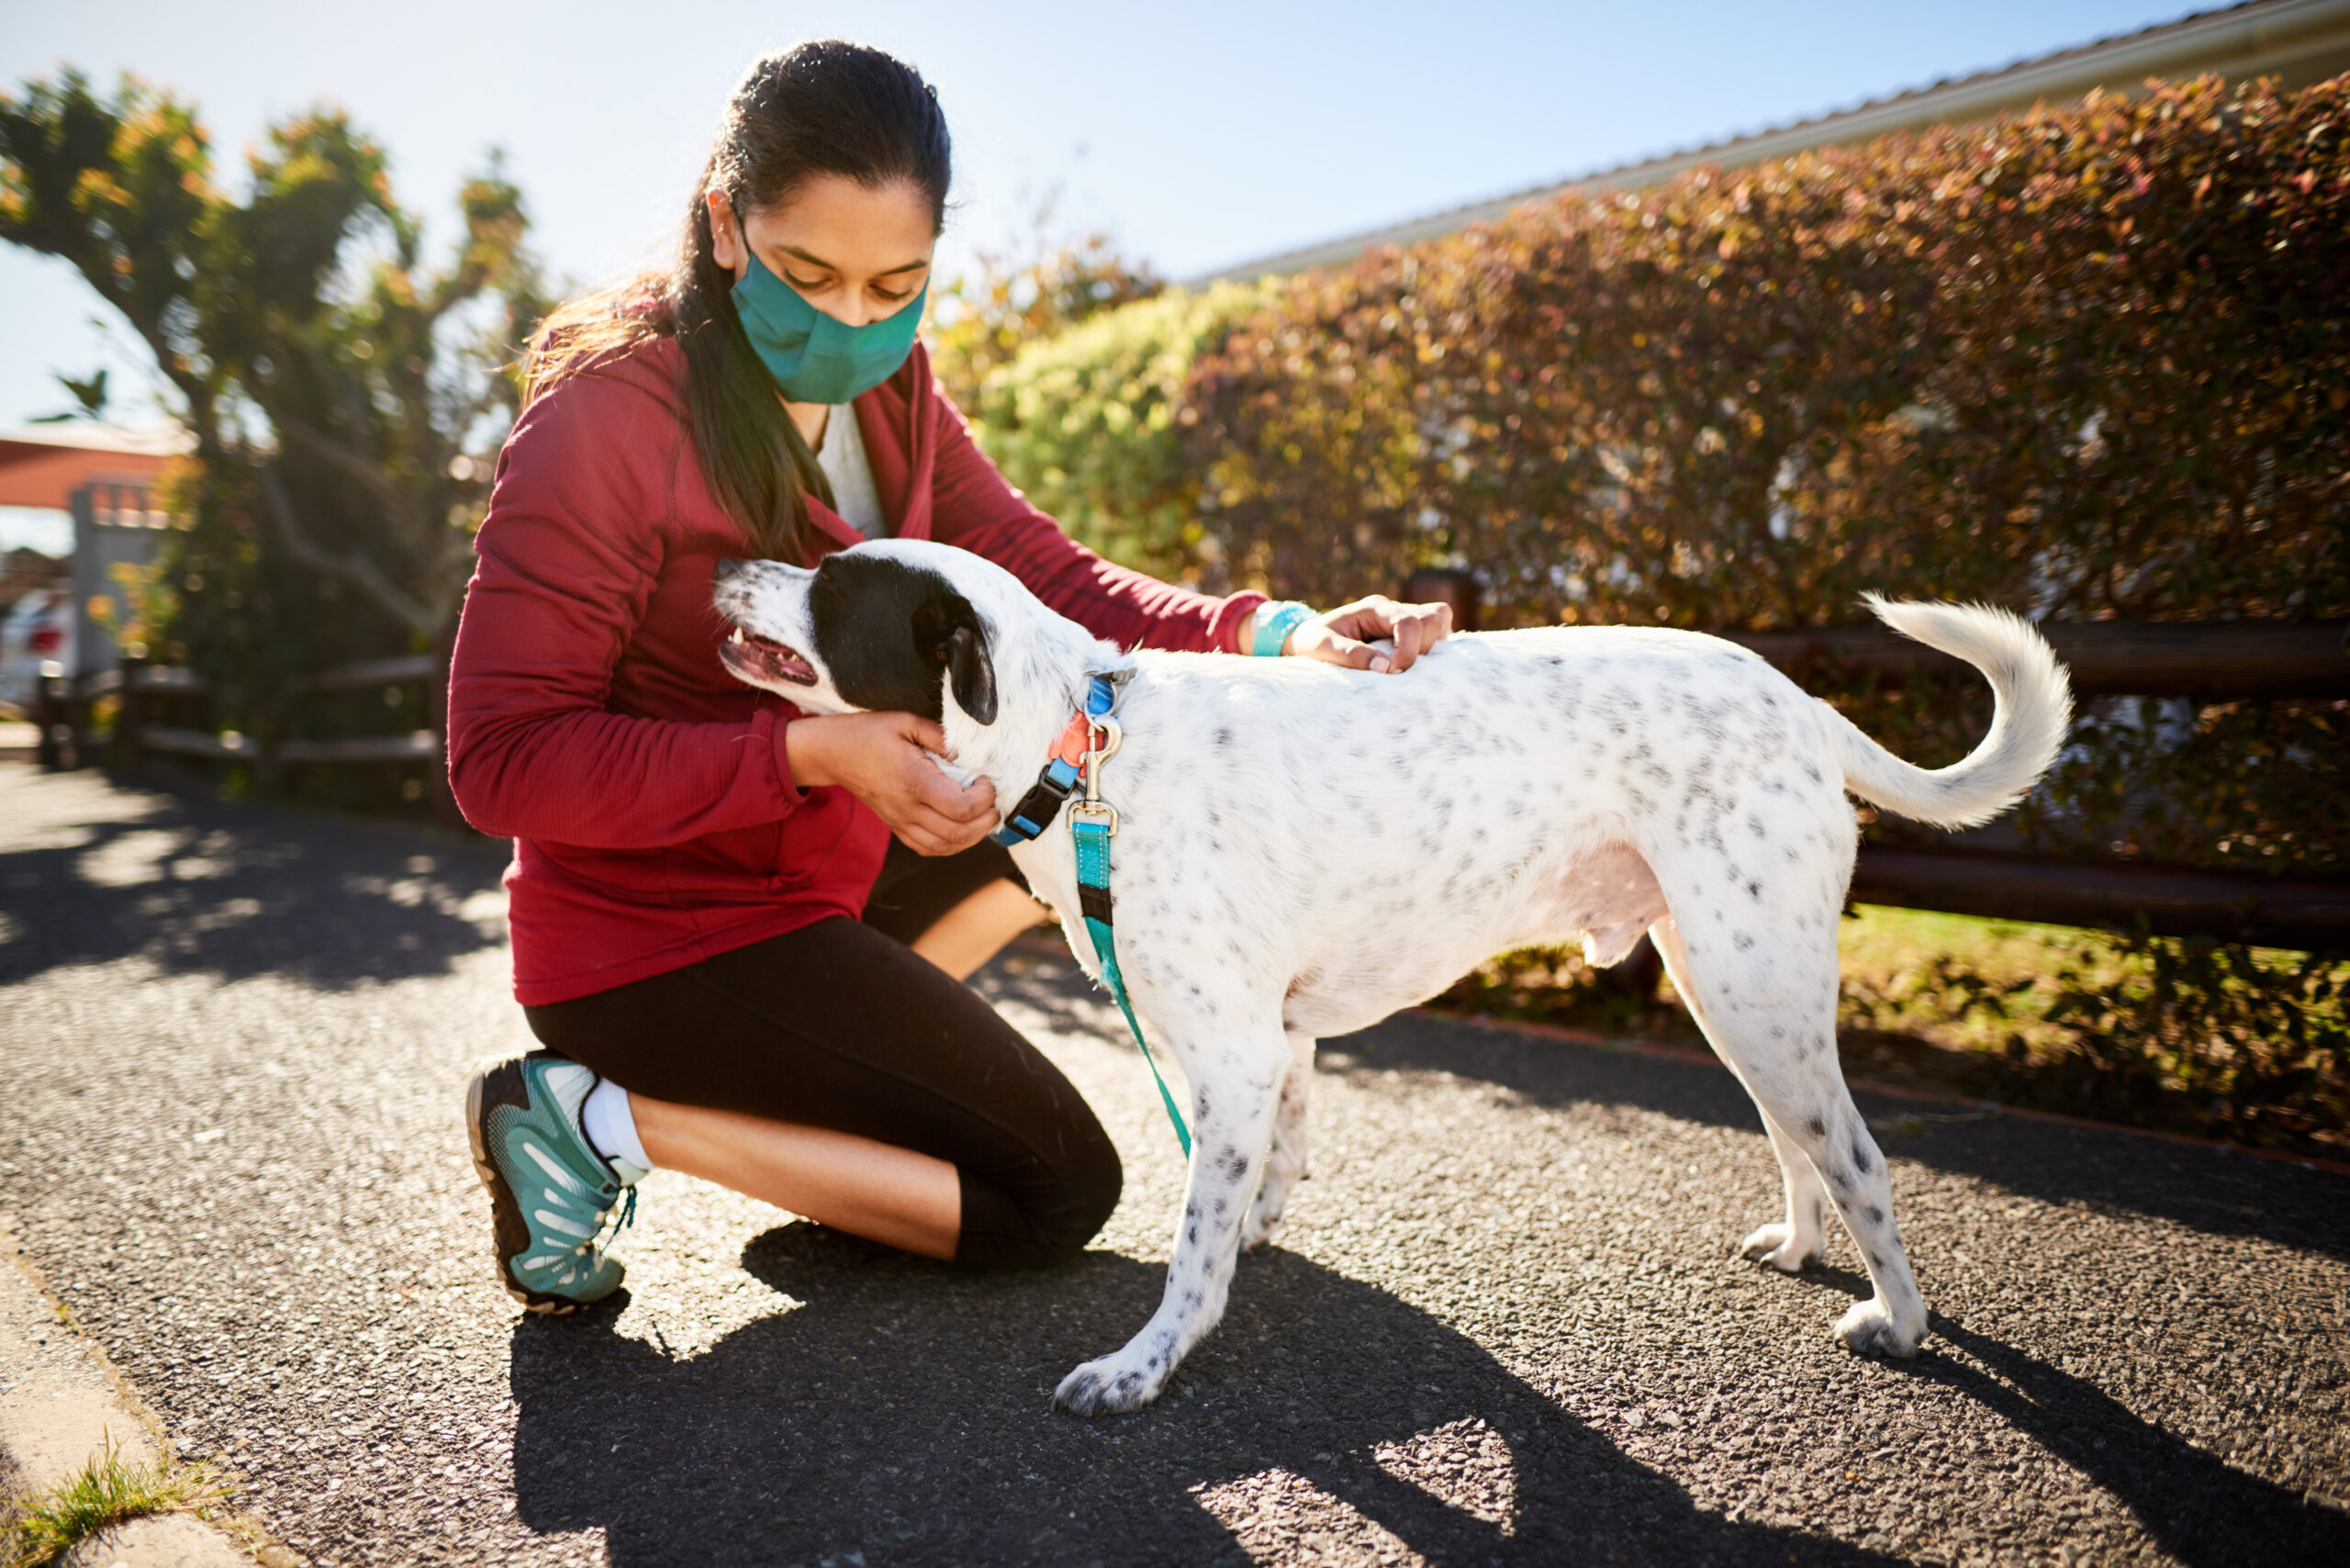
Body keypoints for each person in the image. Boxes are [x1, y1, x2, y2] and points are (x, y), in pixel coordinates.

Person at [450, 39, 1454, 1312]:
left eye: (896, 283)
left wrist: (1282, 632)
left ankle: (843, 1108)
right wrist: (810, 753)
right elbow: (500, 761)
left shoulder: (894, 386)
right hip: (659, 942)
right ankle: (594, 1121)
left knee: (1060, 808)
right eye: (808, 274)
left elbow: (1042, 579)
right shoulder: (604, 419)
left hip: (830, 866)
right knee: (1055, 1195)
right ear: (722, 227)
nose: (851, 322)